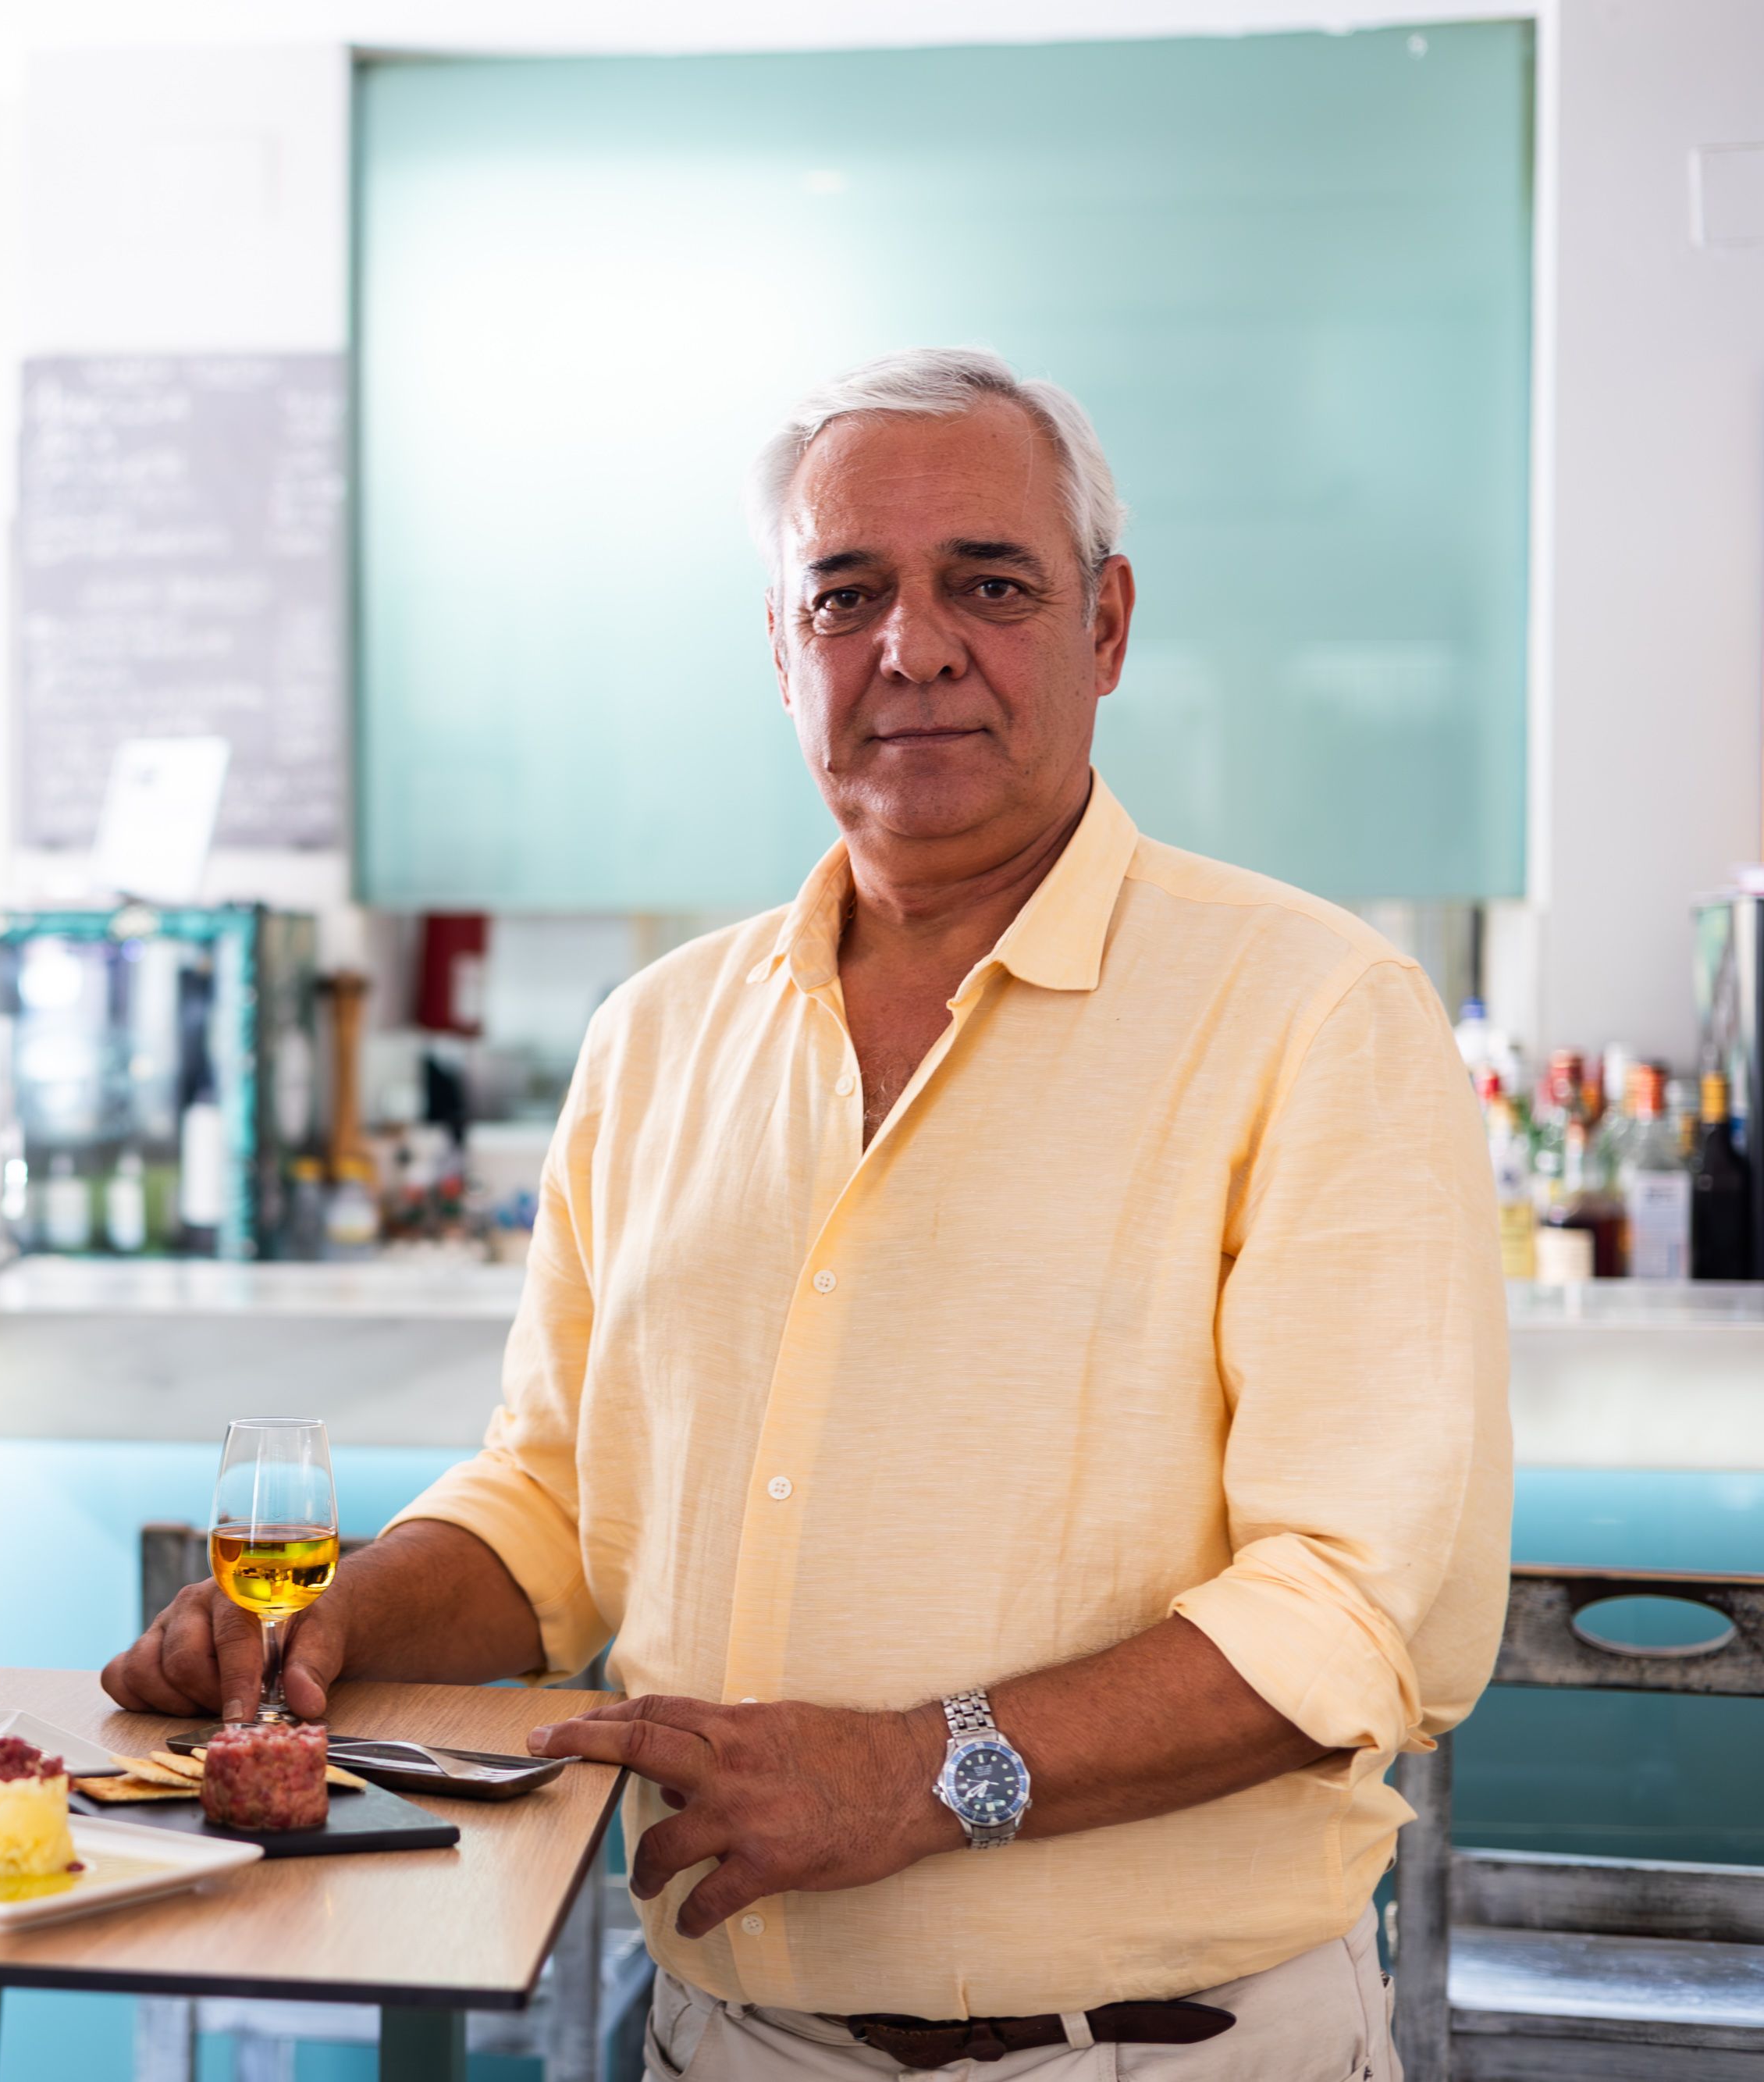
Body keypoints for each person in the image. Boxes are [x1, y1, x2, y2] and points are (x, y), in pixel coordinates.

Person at [105, 347, 1511, 2078]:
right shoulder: (654, 1040)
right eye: (844, 594)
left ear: (1107, 626)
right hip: (722, 2039)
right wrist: (341, 1616)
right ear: (779, 653)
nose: (910, 647)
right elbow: (556, 1498)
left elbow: (1350, 1607)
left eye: (985, 583)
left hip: (1160, 2053)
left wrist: (919, 1769)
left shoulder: (1310, 1013)